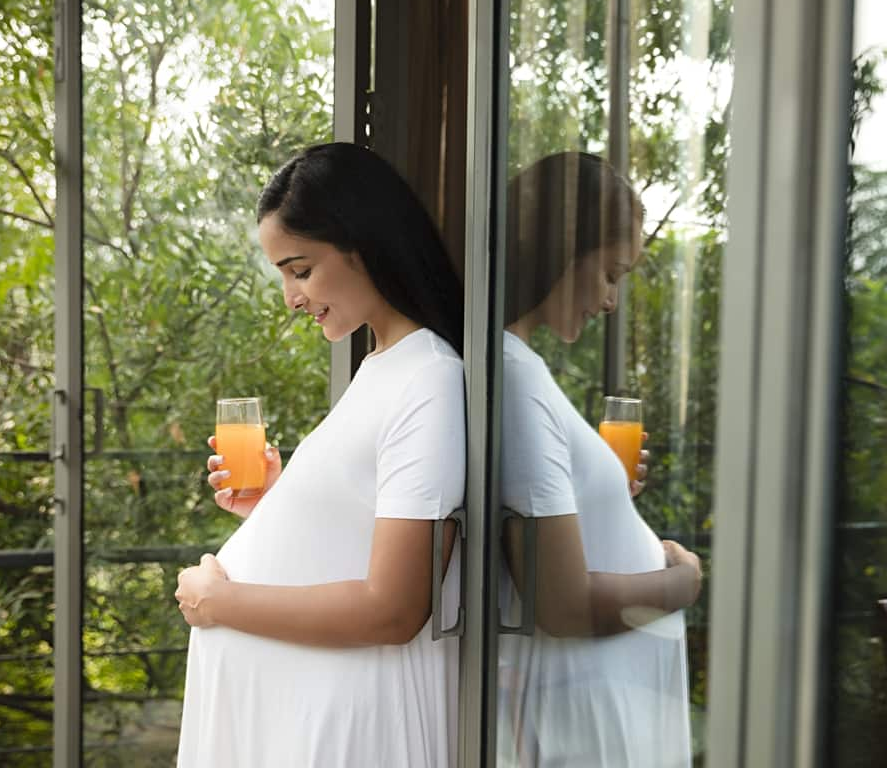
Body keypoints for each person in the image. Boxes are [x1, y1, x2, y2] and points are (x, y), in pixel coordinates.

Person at [173, 142, 465, 767]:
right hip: (306, 714)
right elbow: (369, 528)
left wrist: (218, 603)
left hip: (342, 725)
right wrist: (277, 506)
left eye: (300, 270)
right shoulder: (381, 367)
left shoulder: (430, 379)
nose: (290, 296)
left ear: (365, 245)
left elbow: (395, 607)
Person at [497, 151, 702, 767]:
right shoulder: (513, 379)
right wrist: (681, 582)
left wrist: (603, 496)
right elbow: (561, 604)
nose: (612, 300)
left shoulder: (515, 368)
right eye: (611, 273)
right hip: (581, 720)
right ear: (563, 248)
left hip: (594, 706)